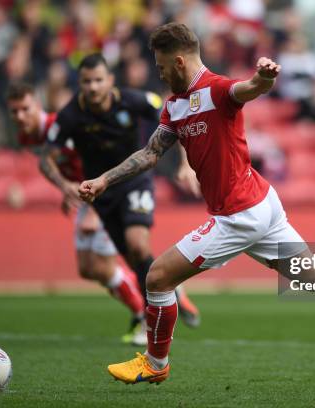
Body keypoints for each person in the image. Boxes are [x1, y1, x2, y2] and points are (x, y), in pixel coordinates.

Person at [78, 23, 315, 385]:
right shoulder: (174, 106)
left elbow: (248, 88)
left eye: (162, 67)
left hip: (239, 215)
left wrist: (265, 76)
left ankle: (155, 364)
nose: (159, 74)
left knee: (158, 277)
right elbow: (149, 153)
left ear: (179, 61)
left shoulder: (217, 90)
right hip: (262, 205)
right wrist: (104, 180)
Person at [42, 54, 201, 334]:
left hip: (134, 180)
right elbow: (46, 157)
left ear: (110, 81)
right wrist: (63, 184)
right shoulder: (70, 115)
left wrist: (185, 164)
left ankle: (159, 311)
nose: (92, 87)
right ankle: (164, 300)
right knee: (133, 259)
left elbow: (175, 117)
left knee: (137, 243)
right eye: (87, 82)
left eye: (98, 80)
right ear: (80, 83)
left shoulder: (133, 100)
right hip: (101, 192)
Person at [6, 82, 147, 345]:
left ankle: (145, 312)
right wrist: (65, 189)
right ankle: (149, 289)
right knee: (86, 269)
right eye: (14, 112)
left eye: (25, 109)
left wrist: (96, 207)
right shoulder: (27, 136)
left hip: (104, 192)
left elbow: (95, 159)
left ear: (38, 105)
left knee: (104, 267)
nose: (20, 116)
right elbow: (50, 165)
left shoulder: (59, 128)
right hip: (85, 193)